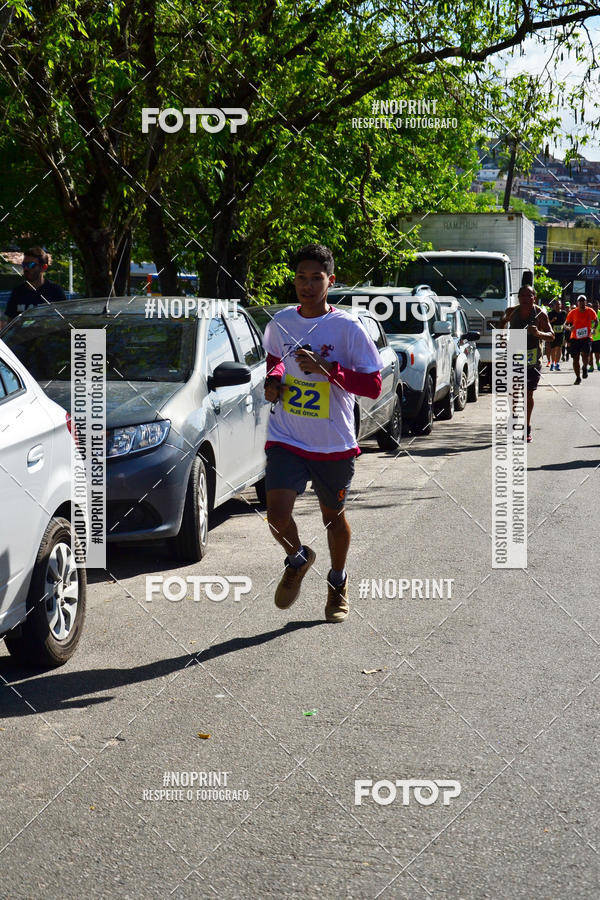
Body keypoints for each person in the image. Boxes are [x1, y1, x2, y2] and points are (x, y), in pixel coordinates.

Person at [262, 243, 383, 622]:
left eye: (316, 278)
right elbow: (275, 359)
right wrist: (273, 380)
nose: (308, 285)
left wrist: (328, 369)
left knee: (333, 517)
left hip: (333, 443)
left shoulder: (347, 328)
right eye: (301, 277)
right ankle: (297, 559)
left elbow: (373, 386)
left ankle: (337, 581)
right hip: (286, 436)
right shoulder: (281, 321)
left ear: (331, 281)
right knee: (276, 515)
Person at [499, 285, 554, 443]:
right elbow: (502, 322)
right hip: (515, 355)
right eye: (522, 295)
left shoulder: (540, 314)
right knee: (515, 391)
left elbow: (551, 335)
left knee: (528, 393)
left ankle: (527, 427)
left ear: (534, 297)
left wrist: (538, 333)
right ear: (518, 297)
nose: (525, 298)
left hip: (532, 359)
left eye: (529, 295)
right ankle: (514, 416)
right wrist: (503, 338)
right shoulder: (511, 311)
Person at [5, 246, 66, 320]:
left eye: (31, 265)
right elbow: (11, 321)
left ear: (44, 267)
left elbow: (64, 320)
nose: (26, 268)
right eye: (24, 264)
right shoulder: (18, 292)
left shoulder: (55, 291)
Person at [565, 294, 597, 385]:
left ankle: (585, 367)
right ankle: (578, 377)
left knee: (585, 355)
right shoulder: (573, 312)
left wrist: (593, 329)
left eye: (583, 301)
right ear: (577, 302)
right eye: (580, 301)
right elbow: (565, 324)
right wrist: (569, 328)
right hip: (575, 338)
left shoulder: (590, 311)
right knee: (575, 359)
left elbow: (596, 321)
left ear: (586, 302)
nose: (582, 302)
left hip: (586, 337)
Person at [548, 298, 567, 371]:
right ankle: (552, 364)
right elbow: (547, 323)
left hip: (561, 333)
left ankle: (557, 364)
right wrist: (552, 320)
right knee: (553, 349)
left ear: (561, 305)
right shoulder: (551, 313)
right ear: (554, 305)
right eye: (556, 304)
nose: (557, 306)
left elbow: (566, 322)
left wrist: (566, 327)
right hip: (553, 333)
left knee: (559, 348)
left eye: (558, 304)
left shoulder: (564, 313)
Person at [589, 299, 600, 371]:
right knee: (590, 352)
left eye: (596, 306)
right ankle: (591, 366)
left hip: (598, 337)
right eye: (594, 306)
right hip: (590, 337)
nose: (595, 307)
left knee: (597, 353)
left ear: (599, 306)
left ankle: (598, 363)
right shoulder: (590, 314)